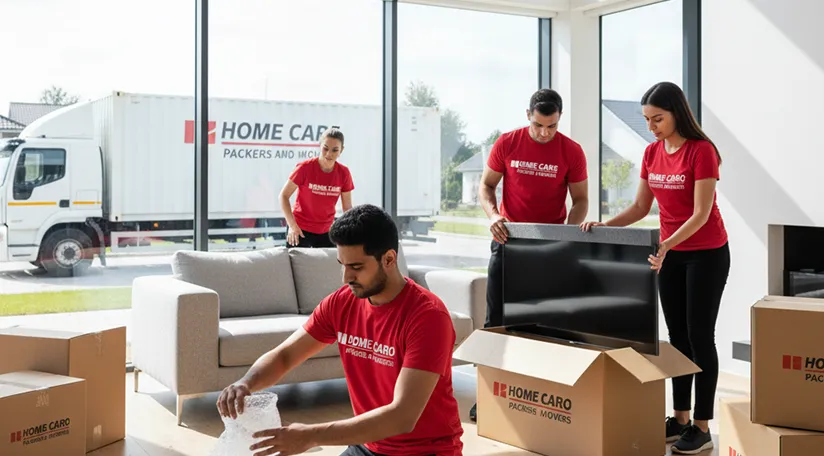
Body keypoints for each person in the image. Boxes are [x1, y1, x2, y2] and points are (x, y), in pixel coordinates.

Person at [216, 204, 464, 456]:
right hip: (367, 444)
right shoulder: (342, 303)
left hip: (423, 451)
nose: (346, 277)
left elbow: (402, 416)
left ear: (389, 259)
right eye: (341, 265)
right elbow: (285, 356)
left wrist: (311, 435)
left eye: (356, 267)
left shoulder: (428, 317)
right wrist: (245, 383)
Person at [580, 81, 729, 455]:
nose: (651, 127)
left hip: (706, 253)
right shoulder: (651, 153)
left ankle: (702, 427)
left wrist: (664, 244)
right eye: (646, 120)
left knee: (700, 336)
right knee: (676, 337)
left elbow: (700, 213)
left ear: (677, 113)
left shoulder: (702, 151)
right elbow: (640, 208)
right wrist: (604, 226)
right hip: (669, 253)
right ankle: (679, 419)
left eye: (657, 119)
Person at [469, 88, 589, 422]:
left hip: (550, 246)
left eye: (551, 126)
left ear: (559, 119)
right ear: (528, 116)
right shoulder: (507, 143)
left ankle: (538, 399)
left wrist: (567, 234)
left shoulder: (572, 151)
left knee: (544, 324)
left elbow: (580, 199)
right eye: (538, 125)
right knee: (497, 322)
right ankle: (487, 397)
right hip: (508, 240)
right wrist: (494, 215)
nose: (544, 133)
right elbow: (486, 186)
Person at [280, 126, 354, 248]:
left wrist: (351, 232)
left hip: (327, 231)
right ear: (320, 145)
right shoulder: (304, 168)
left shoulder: (344, 173)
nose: (329, 154)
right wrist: (292, 226)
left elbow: (347, 207)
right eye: (325, 148)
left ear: (341, 150)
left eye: (335, 150)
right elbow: (283, 196)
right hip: (299, 229)